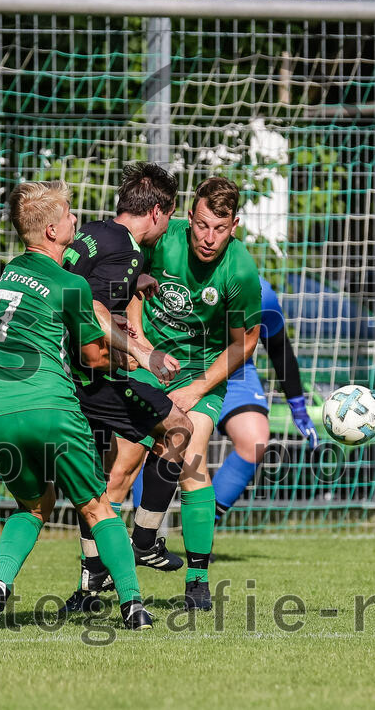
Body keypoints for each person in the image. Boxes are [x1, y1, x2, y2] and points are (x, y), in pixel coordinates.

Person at [0, 180, 152, 631]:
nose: (76, 219)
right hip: (49, 406)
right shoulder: (69, 283)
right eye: (70, 214)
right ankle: (133, 605)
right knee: (97, 507)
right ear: (52, 231)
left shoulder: (10, 272)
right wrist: (144, 355)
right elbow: (95, 345)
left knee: (33, 506)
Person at [114, 176, 262, 610]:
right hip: (146, 364)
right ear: (189, 217)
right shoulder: (162, 241)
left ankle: (197, 581)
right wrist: (140, 346)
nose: (208, 237)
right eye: (200, 225)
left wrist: (197, 389)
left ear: (233, 225)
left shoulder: (240, 270)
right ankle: (96, 579)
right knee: (119, 468)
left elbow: (244, 342)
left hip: (199, 375)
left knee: (192, 455)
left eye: (219, 228)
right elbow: (133, 283)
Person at [59, 163, 195, 612]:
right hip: (98, 376)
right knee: (177, 428)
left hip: (70, 376)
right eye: (171, 216)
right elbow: (96, 304)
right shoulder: (130, 251)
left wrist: (135, 284)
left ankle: (90, 582)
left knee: (103, 481)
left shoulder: (97, 232)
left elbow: (81, 279)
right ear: (157, 212)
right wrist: (145, 356)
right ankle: (144, 540)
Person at [212, 275, 319, 522]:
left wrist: (298, 406)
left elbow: (279, 347)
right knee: (165, 443)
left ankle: (202, 528)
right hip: (181, 363)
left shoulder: (260, 292)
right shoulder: (178, 271)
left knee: (255, 441)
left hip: (234, 369)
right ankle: (142, 538)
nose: (210, 239)